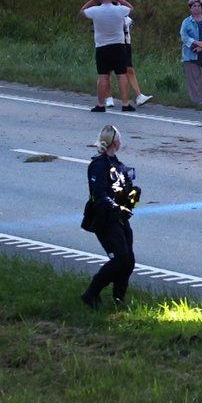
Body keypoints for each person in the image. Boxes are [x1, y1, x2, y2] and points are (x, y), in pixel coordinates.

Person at [80, 124, 140, 307]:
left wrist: (132, 196)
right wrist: (114, 206)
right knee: (120, 258)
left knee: (129, 261)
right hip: (104, 218)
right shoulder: (98, 165)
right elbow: (98, 194)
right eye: (120, 138)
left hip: (120, 218)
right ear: (115, 142)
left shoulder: (119, 165)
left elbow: (124, 190)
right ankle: (91, 294)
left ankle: (119, 298)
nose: (121, 141)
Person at [80, 0, 138, 111]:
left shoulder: (95, 10)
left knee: (103, 76)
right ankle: (125, 104)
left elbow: (82, 11)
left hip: (102, 47)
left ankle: (101, 104)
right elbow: (131, 8)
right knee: (121, 74)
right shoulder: (119, 10)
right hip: (118, 46)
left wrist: (93, 0)